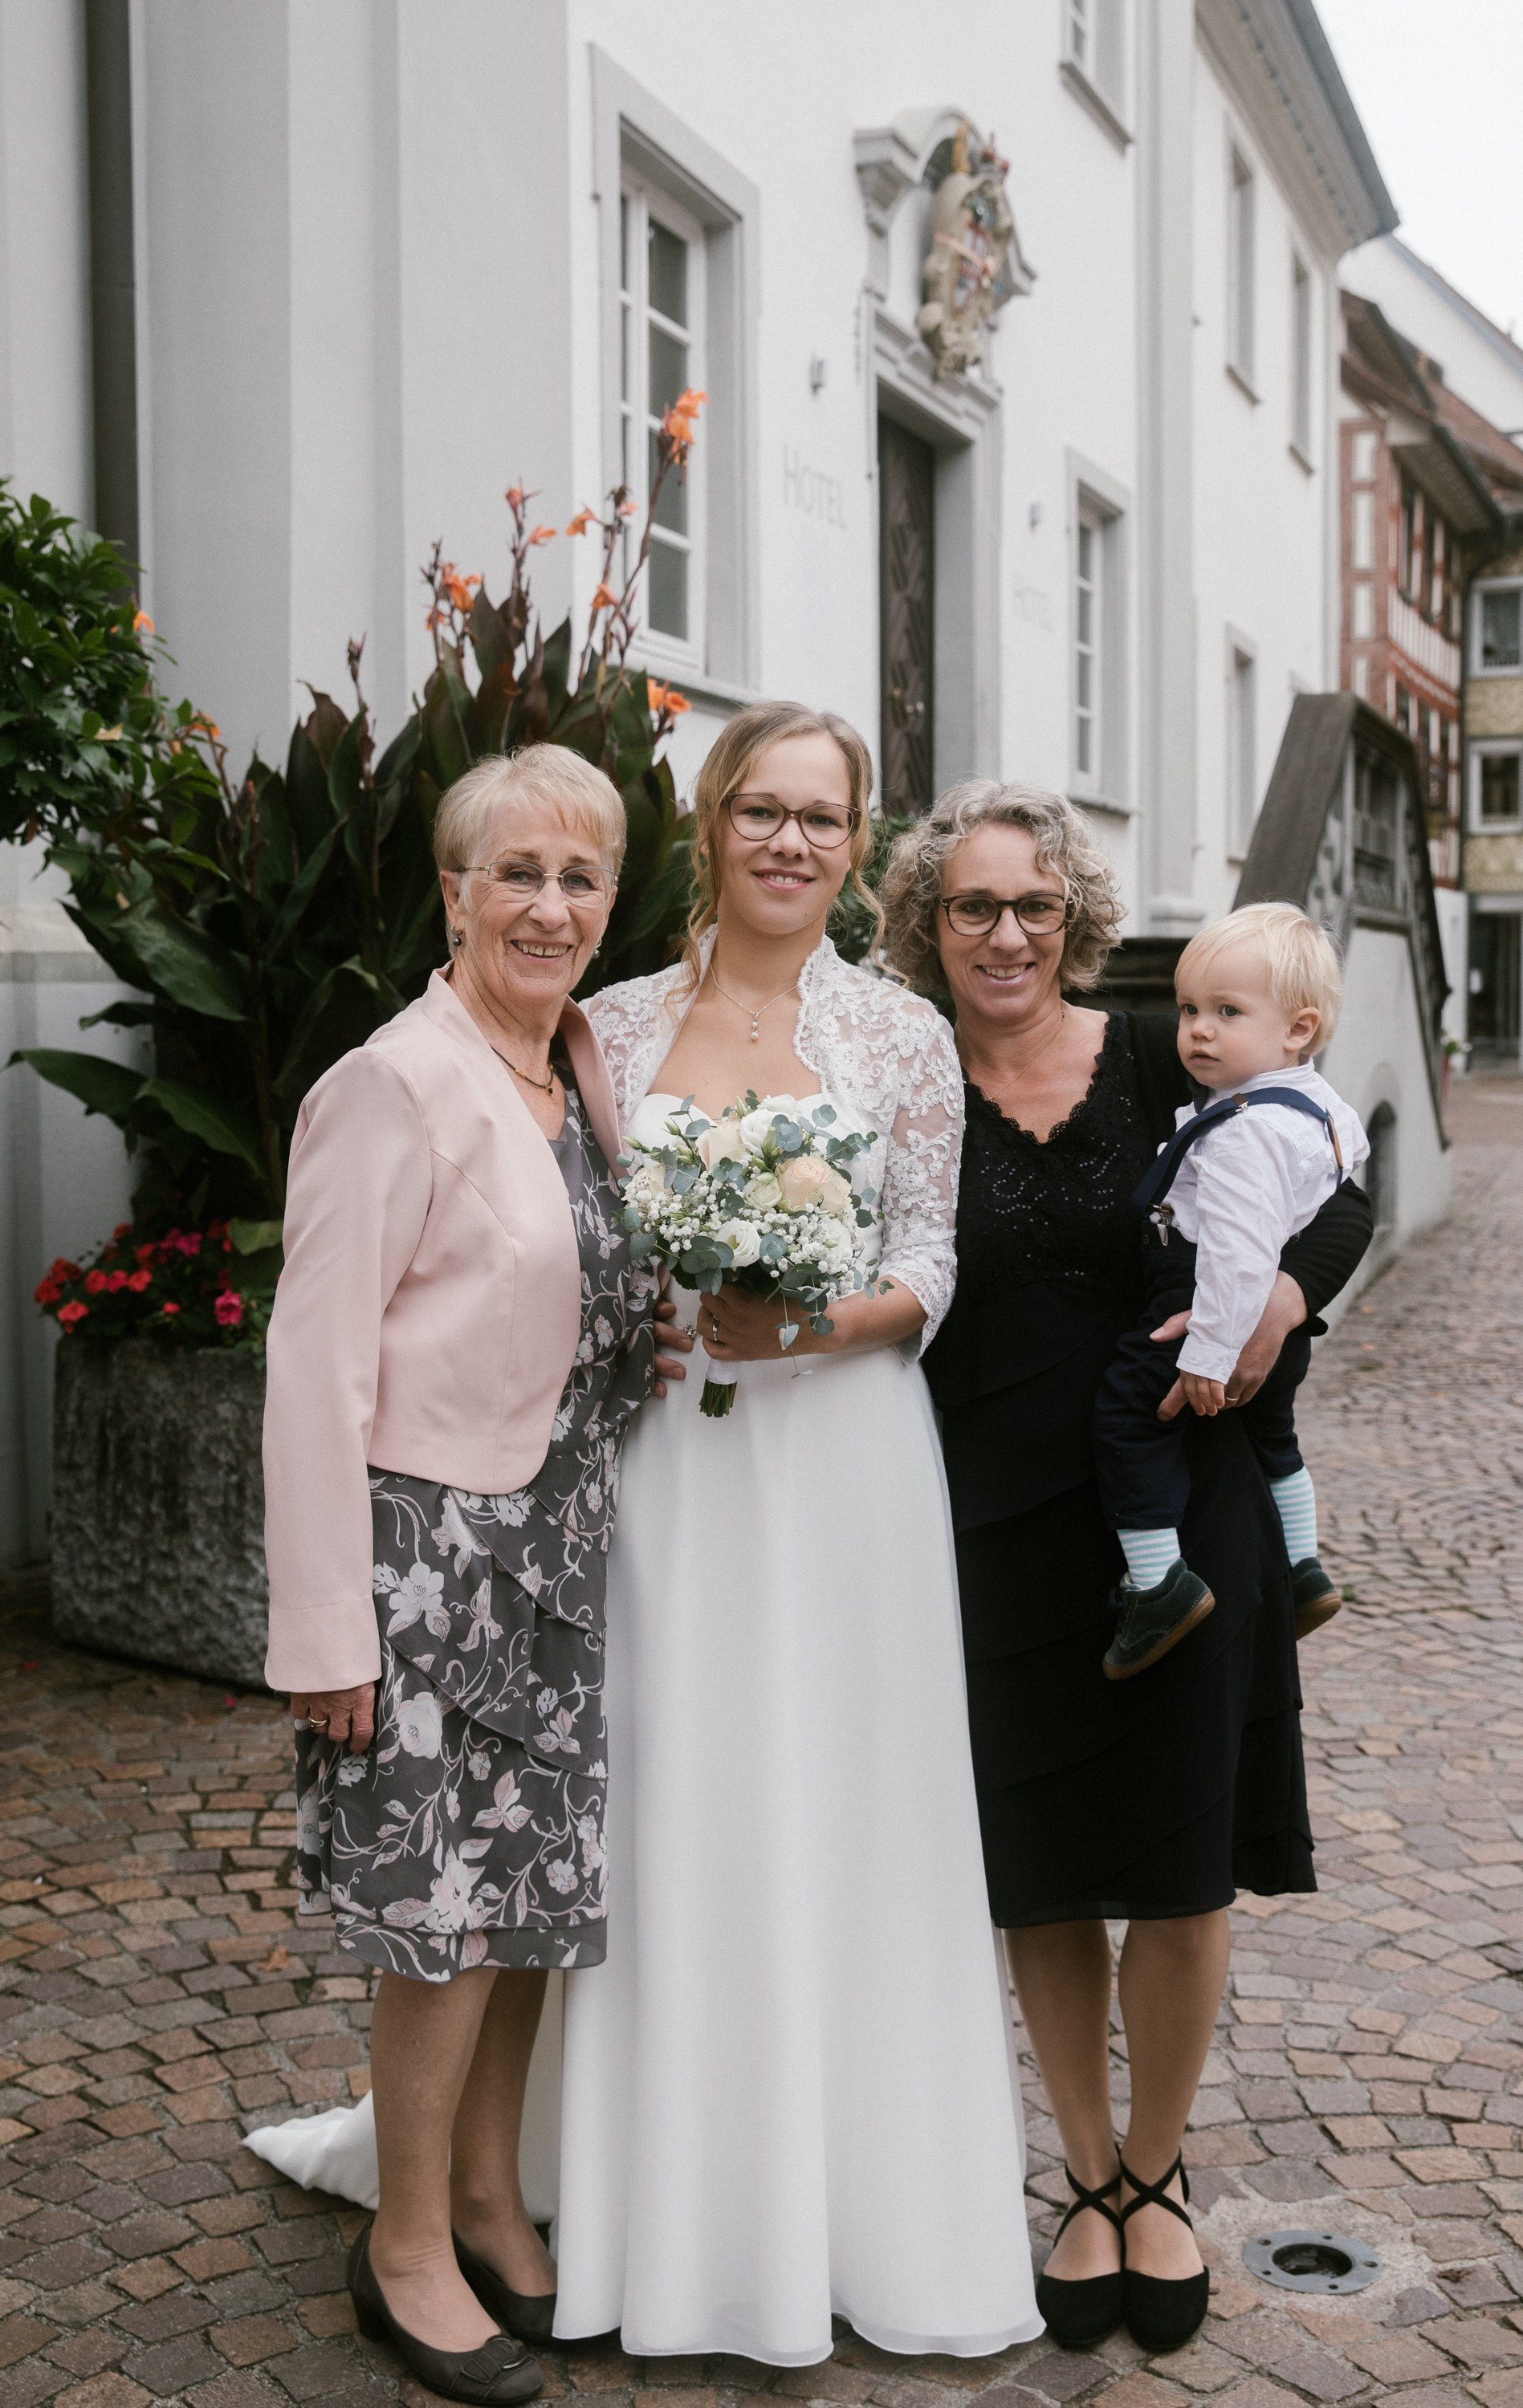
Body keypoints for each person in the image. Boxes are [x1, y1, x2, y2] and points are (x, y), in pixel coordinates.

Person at [555, 700, 1042, 2364]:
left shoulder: (902, 1035)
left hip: (842, 1466)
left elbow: (934, 1257)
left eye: (820, 818)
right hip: (671, 1480)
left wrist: (818, 1327)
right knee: (676, 1792)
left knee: (849, 1805)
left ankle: (866, 2210)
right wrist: (654, 1326)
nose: (787, 841)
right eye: (759, 809)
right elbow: (567, 1250)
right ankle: (669, 2220)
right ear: (711, 824)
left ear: (854, 842)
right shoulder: (608, 1027)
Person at [882, 783, 1372, 2358]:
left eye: (1032, 905)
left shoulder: (1174, 1049)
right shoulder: (896, 1079)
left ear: (1075, 916)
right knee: (1035, 1865)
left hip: (1184, 1505)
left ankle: (1158, 2170)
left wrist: (1290, 1297)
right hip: (990, 1522)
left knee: (1176, 1859)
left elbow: (1331, 1173)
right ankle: (1081, 2179)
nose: (1005, 934)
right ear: (929, 927)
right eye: (972, 908)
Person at [255, 745, 667, 2406]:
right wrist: (323, 1627)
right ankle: (406, 2241)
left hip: (561, 1551)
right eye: (516, 874)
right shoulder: (395, 1080)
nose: (550, 906)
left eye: (579, 877)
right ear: (452, 891)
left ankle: (490, 2194)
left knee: (527, 1911)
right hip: (428, 1567)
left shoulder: (575, 1066)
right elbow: (309, 1370)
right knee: (437, 1923)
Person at [1093, 902, 1369, 1678]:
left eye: (1226, 1012)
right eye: (1188, 1010)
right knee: (1272, 1436)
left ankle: (1158, 1586)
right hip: (1277, 1333)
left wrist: (1211, 1353)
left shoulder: (1248, 1131)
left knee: (1128, 1416)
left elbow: (1242, 1257)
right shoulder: (1313, 1104)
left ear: (1298, 1030)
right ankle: (1304, 1566)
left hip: (1211, 1301)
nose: (1198, 1031)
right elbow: (1349, 1161)